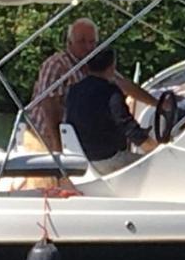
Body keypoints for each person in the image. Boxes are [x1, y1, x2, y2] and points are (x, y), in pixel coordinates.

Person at [25, 18, 157, 152]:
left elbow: (124, 84)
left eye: (92, 42)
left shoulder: (96, 65)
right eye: (82, 41)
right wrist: (58, 147)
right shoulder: (56, 65)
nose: (88, 47)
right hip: (43, 137)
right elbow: (49, 106)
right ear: (69, 43)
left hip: (78, 142)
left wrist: (156, 103)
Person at [64, 47, 157, 175]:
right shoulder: (110, 93)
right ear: (112, 66)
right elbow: (128, 127)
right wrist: (155, 149)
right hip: (109, 159)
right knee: (160, 167)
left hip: (84, 159)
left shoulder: (73, 91)